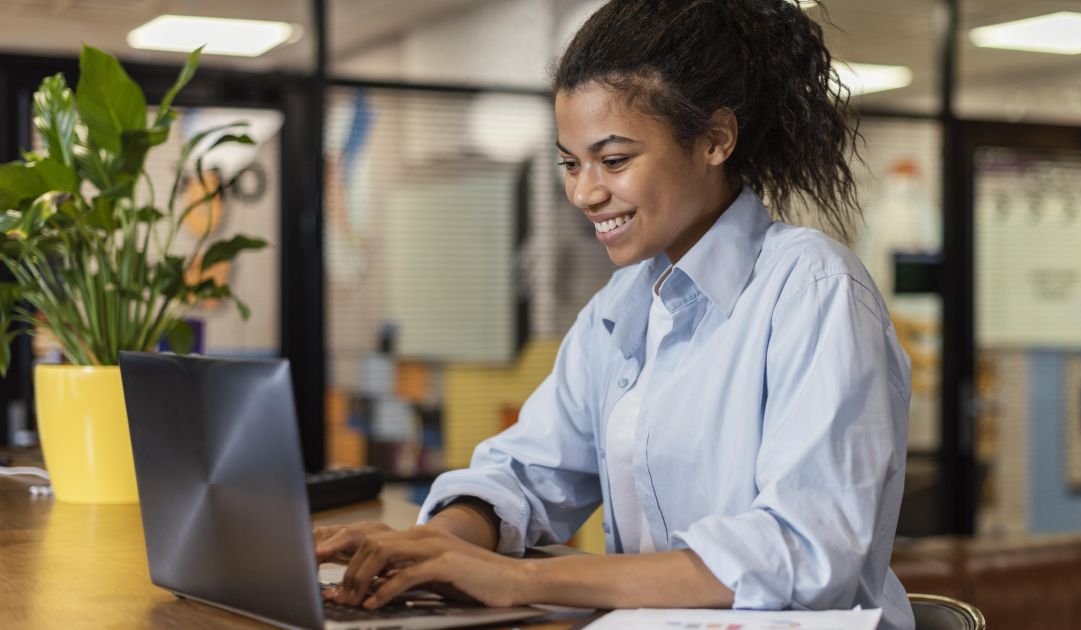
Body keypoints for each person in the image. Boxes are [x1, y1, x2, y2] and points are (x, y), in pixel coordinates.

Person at [314, 1, 914, 628]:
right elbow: (526, 471)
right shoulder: (621, 306)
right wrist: (442, 541)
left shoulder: (813, 288)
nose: (583, 192)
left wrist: (517, 578)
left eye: (615, 159)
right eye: (571, 162)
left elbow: (802, 554)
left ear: (715, 139)